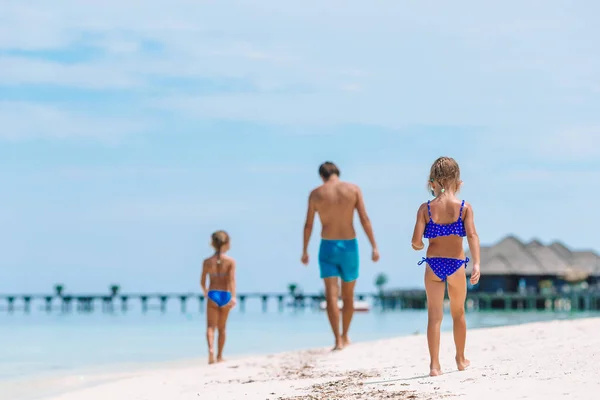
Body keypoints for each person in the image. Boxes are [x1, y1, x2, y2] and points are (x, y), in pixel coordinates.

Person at [410, 156, 481, 377]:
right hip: (456, 265)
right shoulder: (464, 208)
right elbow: (472, 235)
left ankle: (434, 366)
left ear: (433, 182)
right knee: (458, 314)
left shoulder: (426, 209)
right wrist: (477, 262)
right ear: (458, 181)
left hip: (433, 266)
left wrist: (421, 243)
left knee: (434, 316)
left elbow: (415, 242)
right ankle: (460, 359)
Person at [301, 161, 379, 351]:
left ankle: (337, 340)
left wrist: (304, 250)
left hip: (327, 246)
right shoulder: (353, 189)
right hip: (349, 246)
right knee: (348, 295)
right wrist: (374, 246)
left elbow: (308, 225)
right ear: (337, 172)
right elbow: (364, 218)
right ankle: (345, 335)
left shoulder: (316, 194)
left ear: (322, 176)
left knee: (331, 296)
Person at [200, 230, 237, 364]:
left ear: (212, 244)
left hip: (213, 293)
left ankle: (210, 350)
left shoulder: (207, 261)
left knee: (211, 326)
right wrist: (233, 296)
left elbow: (202, 281)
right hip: (225, 294)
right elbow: (232, 280)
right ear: (227, 243)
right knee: (222, 328)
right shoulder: (230, 262)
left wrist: (205, 292)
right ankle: (219, 356)